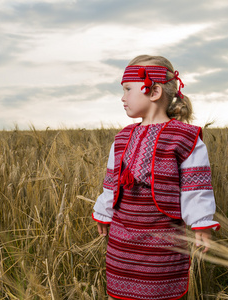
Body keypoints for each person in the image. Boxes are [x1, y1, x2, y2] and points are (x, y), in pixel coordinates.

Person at [92, 55, 220, 300]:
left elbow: (196, 184)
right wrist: (104, 212)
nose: (123, 97)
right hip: (122, 242)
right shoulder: (121, 138)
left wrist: (201, 223)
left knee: (161, 293)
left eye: (128, 89)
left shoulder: (185, 137)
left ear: (154, 91)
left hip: (164, 243)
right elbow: (111, 184)